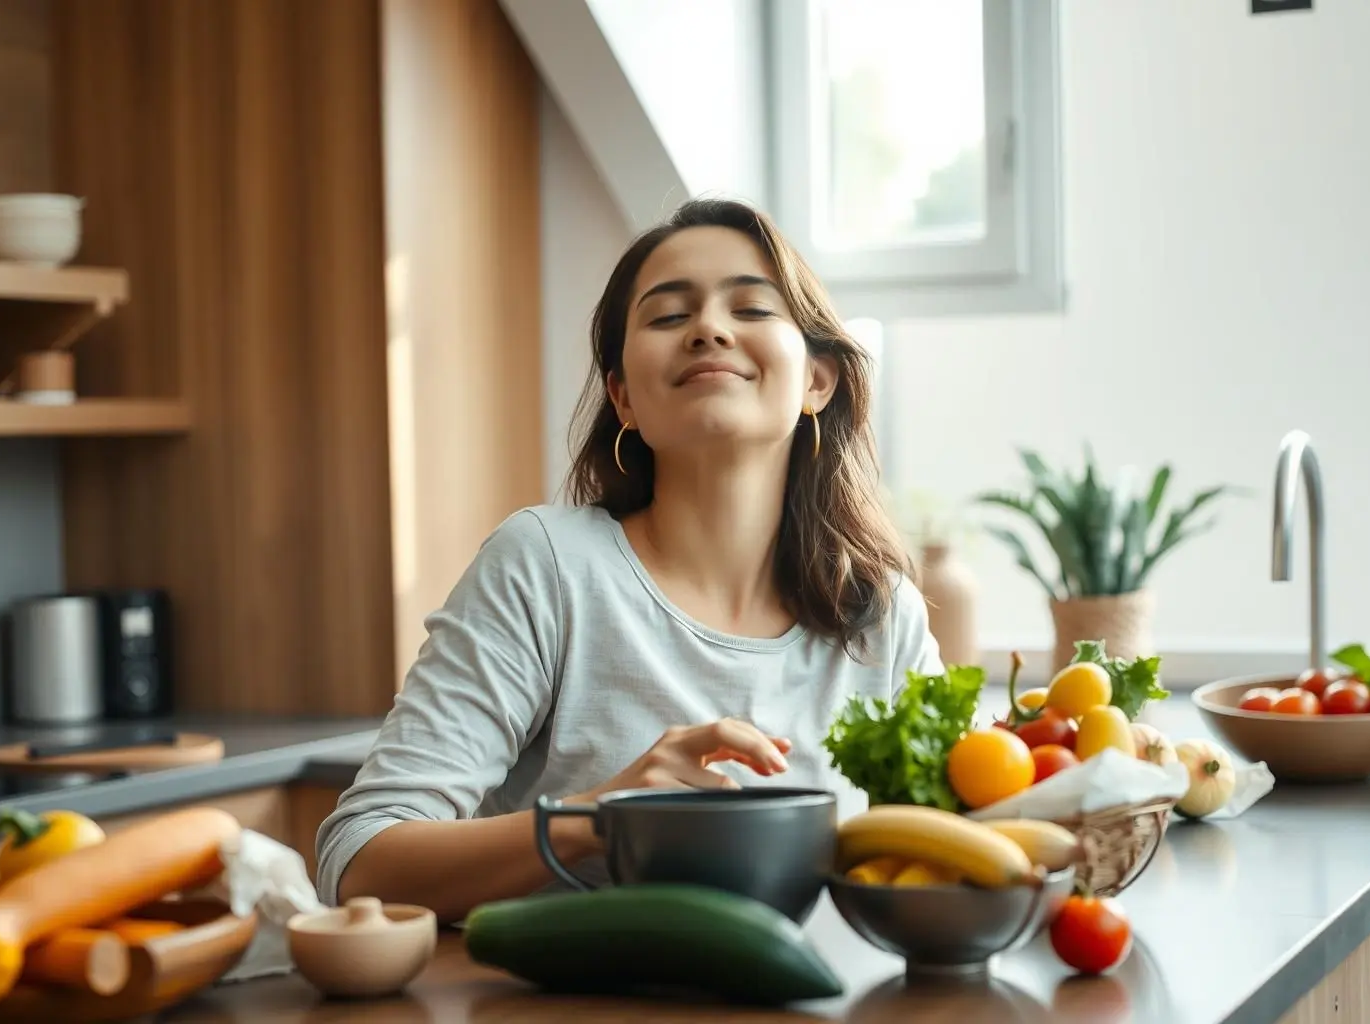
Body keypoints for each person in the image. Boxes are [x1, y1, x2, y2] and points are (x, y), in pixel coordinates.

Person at [315, 197, 944, 922]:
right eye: (669, 316)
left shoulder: (880, 613)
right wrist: (603, 815)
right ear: (624, 398)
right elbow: (359, 862)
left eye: (751, 309)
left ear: (817, 380)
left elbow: (952, 859)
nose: (709, 328)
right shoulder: (545, 565)